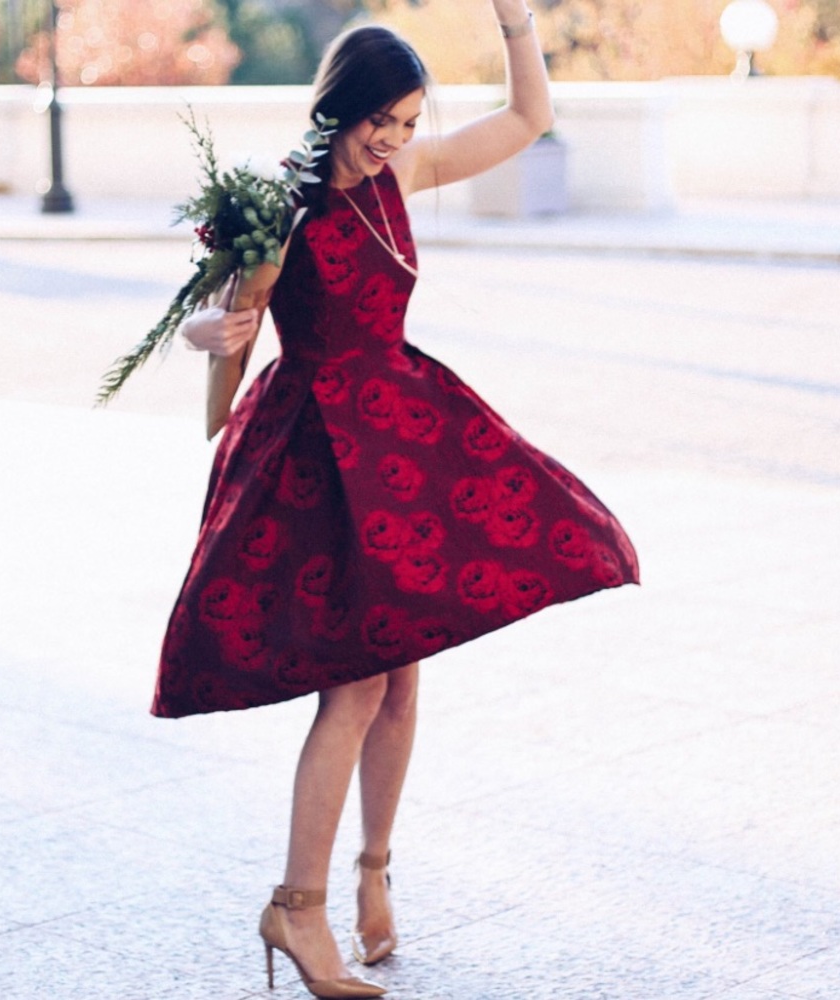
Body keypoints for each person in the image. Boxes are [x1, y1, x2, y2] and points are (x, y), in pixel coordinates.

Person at [153, 4, 639, 998]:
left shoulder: (403, 176)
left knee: (402, 681)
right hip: (319, 455)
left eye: (411, 122)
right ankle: (297, 906)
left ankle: (373, 875)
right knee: (356, 686)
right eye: (384, 119)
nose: (396, 139)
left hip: (400, 441)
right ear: (341, 106)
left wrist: (515, 21)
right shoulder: (280, 205)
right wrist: (208, 332)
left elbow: (527, 119)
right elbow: (226, 324)